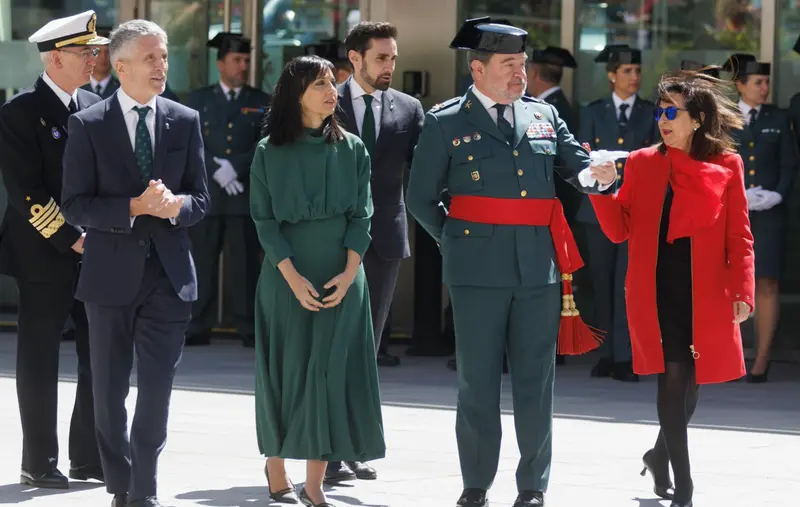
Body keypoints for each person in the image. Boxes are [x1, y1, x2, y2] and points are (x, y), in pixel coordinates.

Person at [406, 17, 617, 507]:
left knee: (535, 381)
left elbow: (575, 167)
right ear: (477, 69)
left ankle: (532, 486)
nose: (520, 74)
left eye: (523, 64)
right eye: (509, 65)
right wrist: (454, 241)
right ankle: (476, 483)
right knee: (476, 381)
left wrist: (599, 175)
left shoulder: (543, 115)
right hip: (475, 271)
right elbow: (420, 198)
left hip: (538, 270)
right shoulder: (445, 121)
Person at [61, 19, 209, 507]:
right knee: (107, 397)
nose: (161, 65)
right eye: (150, 57)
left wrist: (175, 207)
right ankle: (121, 483)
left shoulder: (185, 120)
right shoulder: (88, 124)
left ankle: (142, 491)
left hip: (169, 279)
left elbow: (201, 200)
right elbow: (76, 205)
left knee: (156, 393)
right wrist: (133, 207)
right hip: (108, 278)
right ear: (120, 67)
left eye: (164, 56)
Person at [588, 71, 754, 507]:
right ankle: (685, 484)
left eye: (670, 112)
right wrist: (603, 187)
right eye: (658, 111)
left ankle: (658, 456)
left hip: (706, 292)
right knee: (674, 373)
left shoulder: (727, 164)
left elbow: (740, 236)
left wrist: (743, 290)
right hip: (655, 290)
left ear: (697, 119)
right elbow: (618, 231)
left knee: (693, 384)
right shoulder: (642, 162)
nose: (661, 119)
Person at [252, 55, 385, 507]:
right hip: (285, 276)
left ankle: (314, 486)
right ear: (296, 94)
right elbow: (264, 222)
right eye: (319, 84)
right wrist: (290, 277)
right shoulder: (269, 151)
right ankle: (275, 465)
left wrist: (349, 275)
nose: (332, 91)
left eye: (333, 82)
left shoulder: (353, 148)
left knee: (328, 374)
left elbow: (363, 215)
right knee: (285, 371)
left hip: (343, 276)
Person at [0, 10, 107, 489]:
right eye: (86, 53)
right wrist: (72, 237)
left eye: (95, 51)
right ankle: (38, 460)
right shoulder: (19, 112)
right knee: (40, 360)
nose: (94, 60)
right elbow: (25, 190)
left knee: (98, 356)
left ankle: (88, 457)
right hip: (43, 254)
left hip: (97, 253)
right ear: (57, 57)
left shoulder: (96, 106)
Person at [323, 21, 423, 485]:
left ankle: (354, 445)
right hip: (328, 243)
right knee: (330, 346)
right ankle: (324, 447)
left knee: (368, 348)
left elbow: (425, 172)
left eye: (393, 58)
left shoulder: (408, 109)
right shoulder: (323, 101)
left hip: (383, 241)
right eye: (381, 58)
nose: (389, 67)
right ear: (355, 57)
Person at [577, 44, 659, 383]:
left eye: (638, 71)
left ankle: (627, 355)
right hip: (598, 210)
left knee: (629, 283)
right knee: (601, 281)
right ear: (612, 76)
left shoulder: (650, 112)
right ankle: (607, 353)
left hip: (634, 209)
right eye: (627, 71)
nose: (635, 77)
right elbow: (580, 154)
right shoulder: (593, 111)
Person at [186, 32, 271, 347]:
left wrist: (236, 167)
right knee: (202, 263)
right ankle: (196, 326)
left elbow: (266, 143)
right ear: (220, 64)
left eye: (246, 60)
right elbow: (189, 142)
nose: (243, 66)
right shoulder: (198, 100)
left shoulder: (260, 101)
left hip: (243, 196)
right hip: (208, 195)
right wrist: (216, 168)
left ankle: (248, 327)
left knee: (246, 265)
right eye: (237, 60)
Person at [723, 53, 798, 383]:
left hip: (768, 214)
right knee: (728, 283)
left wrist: (777, 194)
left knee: (766, 282)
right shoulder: (724, 118)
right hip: (732, 212)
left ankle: (762, 357)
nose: (765, 88)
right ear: (741, 85)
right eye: (758, 82)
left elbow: (789, 163)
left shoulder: (778, 119)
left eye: (767, 82)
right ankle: (730, 352)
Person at [81, 26, 119, 99]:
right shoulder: (76, 89)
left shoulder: (122, 90)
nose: (103, 57)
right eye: (98, 52)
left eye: (107, 52)